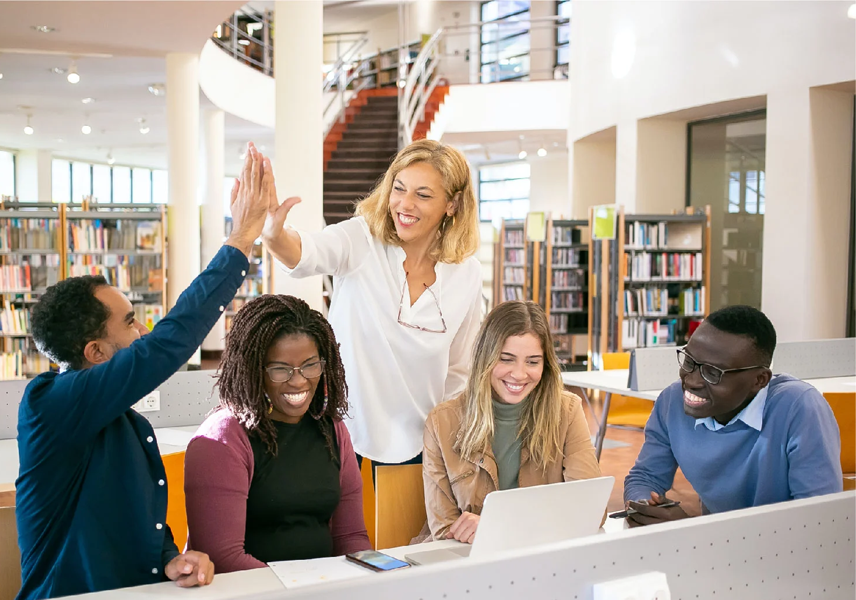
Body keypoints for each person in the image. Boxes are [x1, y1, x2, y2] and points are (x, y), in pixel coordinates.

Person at [14, 143, 272, 599]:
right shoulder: (49, 404)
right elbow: (166, 345)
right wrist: (239, 242)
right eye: (131, 322)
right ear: (94, 352)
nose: (143, 331)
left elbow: (131, 519)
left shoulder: (125, 422)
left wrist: (170, 559)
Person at [259, 139, 483, 469]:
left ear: (453, 204)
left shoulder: (467, 273)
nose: (404, 204)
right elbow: (308, 252)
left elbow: (459, 370)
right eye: (399, 188)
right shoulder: (361, 239)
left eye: (423, 195)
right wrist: (274, 236)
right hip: (341, 434)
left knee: (405, 523)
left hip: (421, 444)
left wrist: (447, 443)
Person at [184, 294, 370, 572]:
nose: (298, 381)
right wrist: (302, 590)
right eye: (280, 370)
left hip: (321, 589)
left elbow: (350, 537)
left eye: (310, 365)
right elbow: (223, 558)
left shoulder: (332, 429)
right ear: (253, 369)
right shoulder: (222, 439)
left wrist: (373, 577)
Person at [623, 305, 843, 527]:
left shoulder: (799, 407)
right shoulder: (672, 401)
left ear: (759, 380)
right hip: (718, 553)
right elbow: (645, 477)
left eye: (712, 373)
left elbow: (818, 522)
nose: (692, 381)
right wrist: (645, 506)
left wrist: (691, 530)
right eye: (689, 361)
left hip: (786, 554)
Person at [421, 301, 602, 543]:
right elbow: (444, 531)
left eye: (532, 361)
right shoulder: (441, 422)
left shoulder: (567, 411)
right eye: (506, 359)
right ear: (486, 358)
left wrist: (497, 526)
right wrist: (535, 524)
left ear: (545, 364)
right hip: (468, 562)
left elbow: (592, 510)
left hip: (542, 556)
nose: (519, 374)